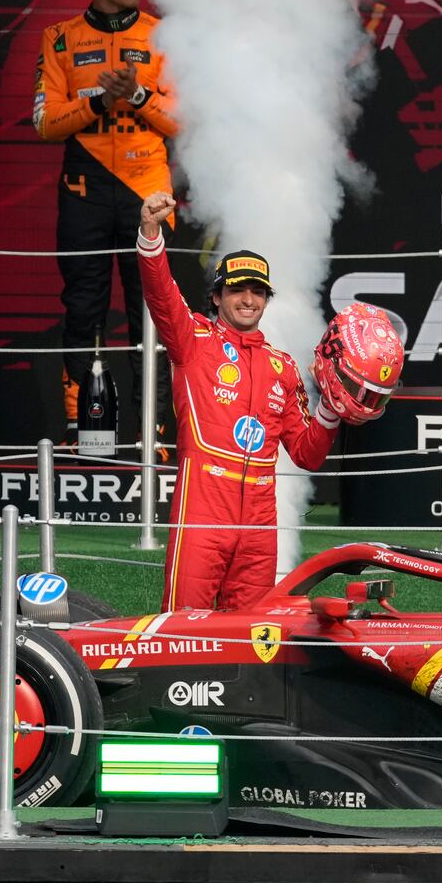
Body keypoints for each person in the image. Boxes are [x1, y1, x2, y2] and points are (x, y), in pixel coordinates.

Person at [136, 191, 366, 610]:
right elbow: (161, 296)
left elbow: (306, 455)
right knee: (184, 630)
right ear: (217, 297)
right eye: (238, 289)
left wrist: (331, 409)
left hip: (261, 521)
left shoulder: (283, 367)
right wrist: (151, 234)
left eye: (258, 291)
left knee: (251, 638)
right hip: (203, 508)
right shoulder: (193, 342)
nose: (248, 299)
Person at [34, 0, 178, 441]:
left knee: (154, 311)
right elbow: (44, 123)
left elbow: (188, 121)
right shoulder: (60, 37)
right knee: (84, 307)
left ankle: (154, 432)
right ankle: (85, 428)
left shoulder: (164, 37)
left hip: (149, 189)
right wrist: (97, 100)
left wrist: (138, 98)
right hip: (84, 186)